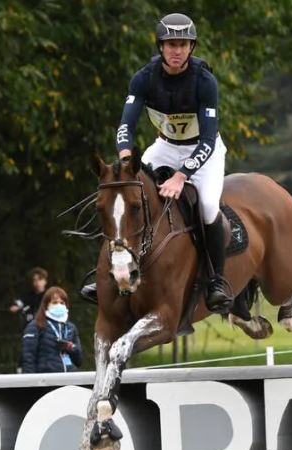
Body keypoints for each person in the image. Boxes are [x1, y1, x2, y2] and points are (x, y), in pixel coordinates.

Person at [85, 13, 233, 313]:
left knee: (206, 206)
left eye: (183, 44)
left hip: (204, 151)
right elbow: (126, 125)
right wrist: (125, 156)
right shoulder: (144, 78)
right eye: (170, 44)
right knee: (123, 197)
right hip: (164, 147)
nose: (176, 50)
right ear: (160, 46)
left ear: (191, 47)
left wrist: (181, 177)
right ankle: (106, 271)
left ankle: (216, 280)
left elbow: (207, 140)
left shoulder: (205, 81)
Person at [21, 286, 83, 373]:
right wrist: (31, 383)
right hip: (47, 380)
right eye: (55, 303)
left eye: (62, 303)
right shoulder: (35, 326)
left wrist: (72, 349)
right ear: (46, 305)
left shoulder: (71, 327)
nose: (59, 305)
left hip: (70, 378)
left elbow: (79, 361)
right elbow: (28, 358)